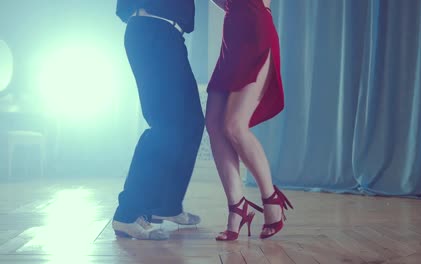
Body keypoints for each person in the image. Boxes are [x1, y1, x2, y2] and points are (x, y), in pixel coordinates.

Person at [112, 0, 204, 240]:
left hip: (170, 36)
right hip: (152, 31)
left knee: (192, 124)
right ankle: (127, 214)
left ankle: (167, 206)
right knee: (166, 126)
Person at [206, 0, 293, 241]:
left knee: (234, 126)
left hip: (255, 28)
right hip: (233, 33)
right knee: (214, 125)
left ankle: (271, 199)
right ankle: (237, 208)